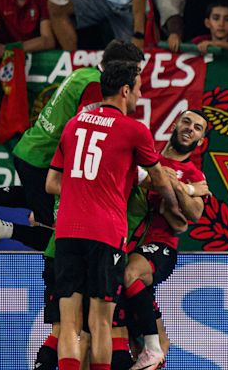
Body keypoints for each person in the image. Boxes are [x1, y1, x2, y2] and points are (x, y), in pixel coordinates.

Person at [45, 60, 185, 370]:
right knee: (99, 322)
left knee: (69, 323)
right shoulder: (134, 129)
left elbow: (51, 183)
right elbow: (160, 179)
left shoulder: (74, 124)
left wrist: (84, 186)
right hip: (104, 233)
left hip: (67, 231)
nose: (138, 95)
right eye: (137, 89)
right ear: (125, 90)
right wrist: (173, 206)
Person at [0, 39, 145, 263]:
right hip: (43, 159)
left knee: (36, 198)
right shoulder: (96, 86)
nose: (137, 79)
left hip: (33, 151)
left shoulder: (84, 74)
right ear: (119, 66)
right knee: (58, 233)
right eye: (135, 71)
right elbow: (86, 128)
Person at [126, 109, 210, 370]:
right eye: (186, 121)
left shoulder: (194, 176)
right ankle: (156, 344)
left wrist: (178, 187)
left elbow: (194, 214)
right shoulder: (150, 160)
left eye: (197, 128)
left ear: (201, 140)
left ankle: (153, 347)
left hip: (160, 248)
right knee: (132, 337)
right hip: (127, 243)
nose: (190, 129)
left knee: (127, 276)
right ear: (175, 123)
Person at [47, 0, 147, 51]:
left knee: (132, 56)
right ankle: (72, 62)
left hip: (128, 5)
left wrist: (138, 34)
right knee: (56, 5)